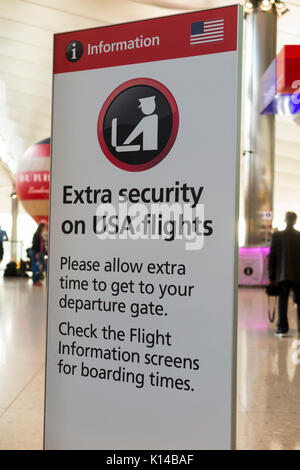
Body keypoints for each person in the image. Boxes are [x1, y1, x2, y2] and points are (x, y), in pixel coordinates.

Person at [268, 211, 300, 337]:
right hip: (298, 275)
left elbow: (272, 257)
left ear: (285, 220)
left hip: (282, 274)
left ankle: (282, 328)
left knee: (283, 302)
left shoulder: (277, 236)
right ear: (295, 221)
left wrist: (271, 276)